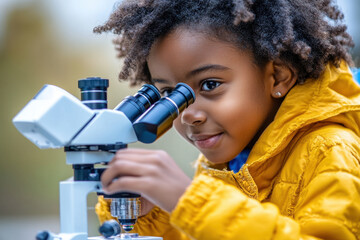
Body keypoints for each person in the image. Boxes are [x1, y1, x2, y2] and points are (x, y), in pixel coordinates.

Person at [94, 1, 360, 239]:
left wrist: (189, 200)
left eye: (210, 84)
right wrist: (153, 213)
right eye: (168, 94)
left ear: (277, 76)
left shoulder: (330, 150)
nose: (188, 113)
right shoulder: (224, 165)